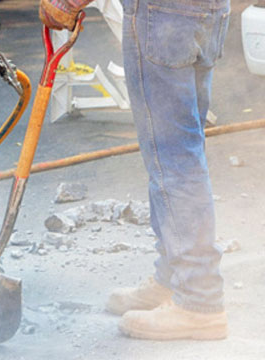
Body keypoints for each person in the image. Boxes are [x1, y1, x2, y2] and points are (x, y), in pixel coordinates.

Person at [44, 0, 229, 340]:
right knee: (183, 148)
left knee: (172, 157)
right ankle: (174, 277)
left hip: (163, 14)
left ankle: (198, 301)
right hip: (207, 10)